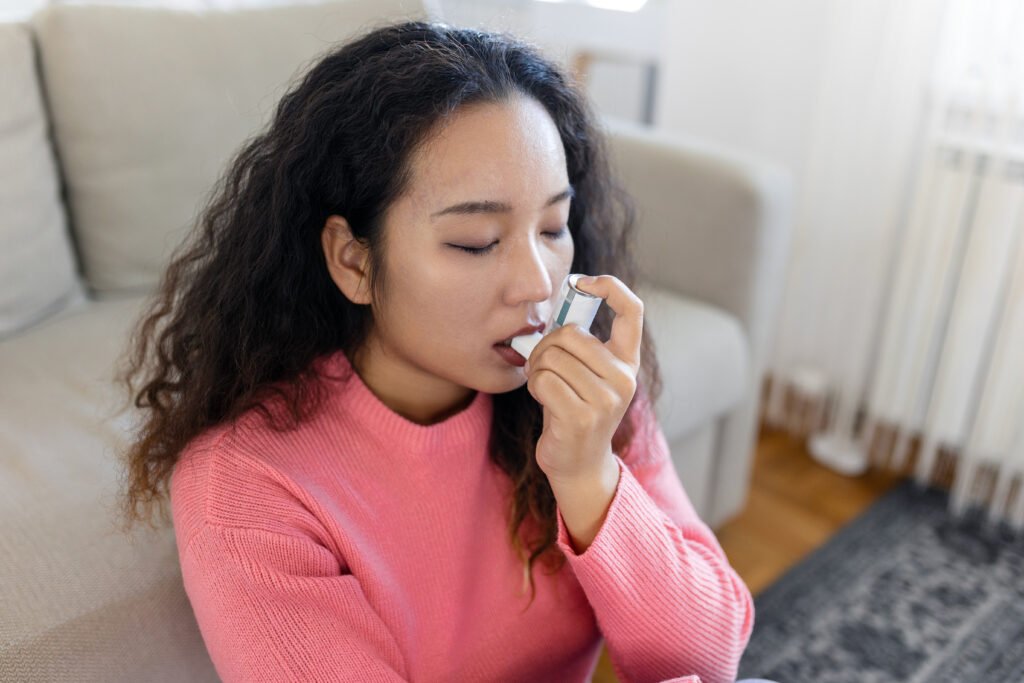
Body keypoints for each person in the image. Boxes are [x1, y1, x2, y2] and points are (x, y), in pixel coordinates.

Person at [115, 19, 756, 683]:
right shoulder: (246, 487)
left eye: (553, 227)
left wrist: (590, 476)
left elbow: (709, 660)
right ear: (353, 260)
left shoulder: (583, 391)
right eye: (476, 242)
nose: (539, 284)